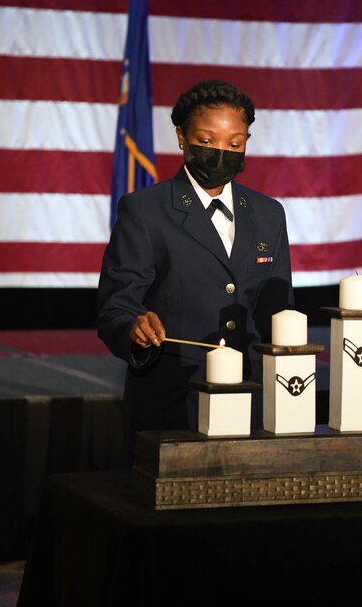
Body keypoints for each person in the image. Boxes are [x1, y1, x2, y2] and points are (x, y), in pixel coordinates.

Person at [97, 79, 293, 464]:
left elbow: (280, 311)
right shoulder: (145, 210)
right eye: (206, 140)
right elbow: (115, 307)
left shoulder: (269, 214)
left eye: (235, 144)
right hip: (173, 401)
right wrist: (135, 328)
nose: (221, 152)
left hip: (250, 398)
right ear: (182, 138)